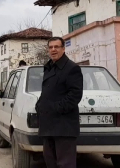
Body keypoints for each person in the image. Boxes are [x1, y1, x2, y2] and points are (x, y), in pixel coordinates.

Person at [35, 37, 83, 168]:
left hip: (64, 126)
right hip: (48, 124)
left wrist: (55, 109)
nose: (53, 50)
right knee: (50, 162)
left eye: (56, 47)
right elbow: (47, 92)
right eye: (50, 47)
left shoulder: (72, 68)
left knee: (65, 164)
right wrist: (39, 105)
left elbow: (75, 95)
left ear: (63, 48)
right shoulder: (49, 67)